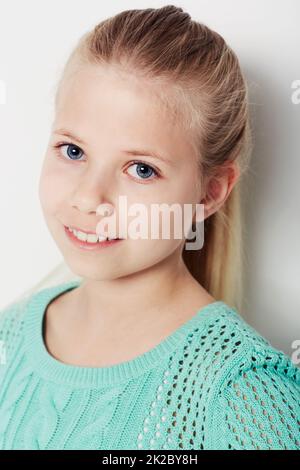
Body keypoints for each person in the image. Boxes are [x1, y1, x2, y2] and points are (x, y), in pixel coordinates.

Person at [0, 5, 299, 450]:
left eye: (140, 169)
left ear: (210, 193)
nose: (88, 198)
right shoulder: (10, 338)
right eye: (73, 151)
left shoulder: (245, 397)